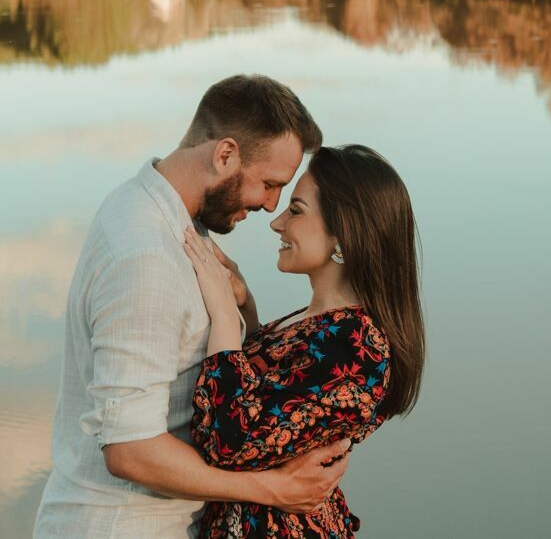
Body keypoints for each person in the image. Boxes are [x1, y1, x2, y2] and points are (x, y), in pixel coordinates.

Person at [34, 75, 353, 539]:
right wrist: (273, 489)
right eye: (268, 184)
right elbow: (130, 448)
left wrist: (244, 309)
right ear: (225, 154)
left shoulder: (161, 211)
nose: (271, 206)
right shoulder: (147, 256)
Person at [179, 144, 424, 538]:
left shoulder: (358, 349)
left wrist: (223, 312)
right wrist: (246, 310)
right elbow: (274, 398)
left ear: (344, 234)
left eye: (296, 210)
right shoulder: (322, 324)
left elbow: (231, 440)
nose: (276, 223)